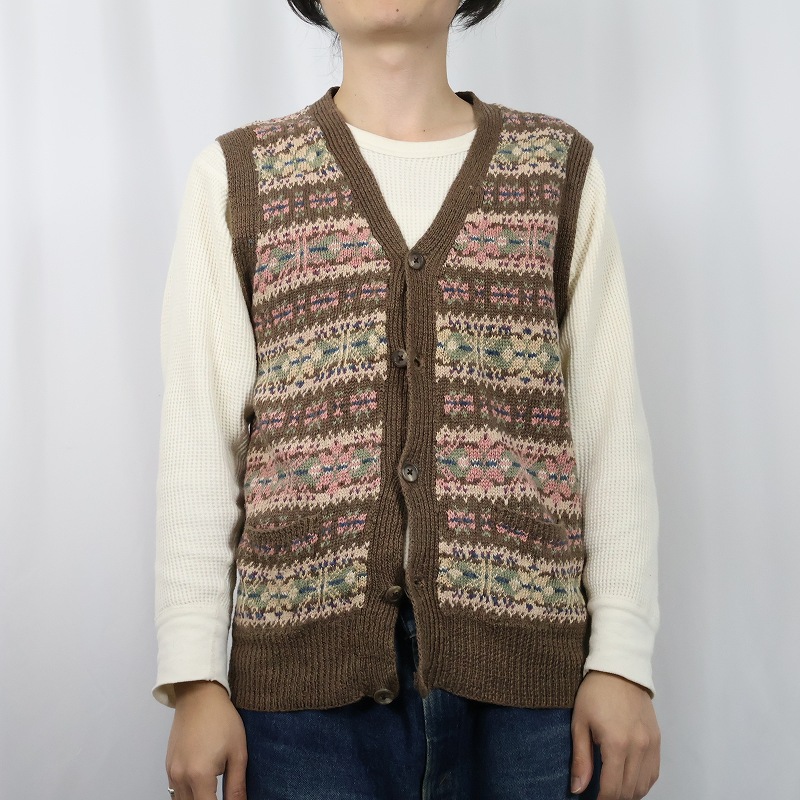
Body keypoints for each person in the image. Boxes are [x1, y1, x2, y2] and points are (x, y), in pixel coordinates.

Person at [153, 1, 661, 798]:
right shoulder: (241, 176)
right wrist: (194, 678)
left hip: (532, 696)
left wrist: (623, 661)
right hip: (304, 699)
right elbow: (199, 444)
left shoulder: (554, 169)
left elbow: (608, 432)